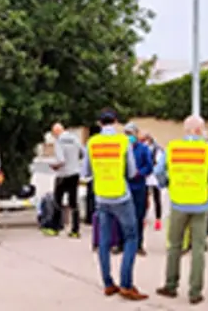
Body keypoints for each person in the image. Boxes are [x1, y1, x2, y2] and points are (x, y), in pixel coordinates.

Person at [154, 115, 208, 305]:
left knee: (175, 245)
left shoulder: (172, 148)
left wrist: (168, 184)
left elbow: (159, 172)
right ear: (198, 130)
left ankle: (170, 285)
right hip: (201, 203)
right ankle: (195, 291)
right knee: (198, 248)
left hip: (178, 202)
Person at [81, 109, 148, 301]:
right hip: (121, 195)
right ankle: (126, 284)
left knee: (104, 240)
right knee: (131, 237)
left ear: (99, 123)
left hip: (101, 196)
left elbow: (85, 172)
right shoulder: (123, 142)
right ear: (116, 122)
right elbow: (132, 170)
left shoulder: (92, 143)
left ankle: (108, 283)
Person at [43, 123, 83, 238]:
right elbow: (82, 152)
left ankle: (55, 227)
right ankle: (75, 230)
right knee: (73, 202)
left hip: (63, 175)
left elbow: (61, 160)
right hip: (75, 173)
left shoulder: (59, 141)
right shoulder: (75, 138)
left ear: (56, 132)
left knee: (57, 200)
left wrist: (54, 166)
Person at [122, 122, 153, 255]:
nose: (129, 137)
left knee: (139, 217)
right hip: (124, 186)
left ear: (136, 134)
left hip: (139, 186)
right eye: (127, 134)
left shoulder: (143, 149)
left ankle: (138, 244)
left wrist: (140, 173)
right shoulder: (122, 148)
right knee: (123, 217)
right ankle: (122, 243)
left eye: (131, 134)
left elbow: (149, 166)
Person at [141, 132, 163, 231]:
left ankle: (158, 219)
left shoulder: (157, 149)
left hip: (154, 177)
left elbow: (159, 163)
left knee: (156, 199)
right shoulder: (143, 148)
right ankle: (144, 218)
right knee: (144, 199)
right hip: (146, 177)